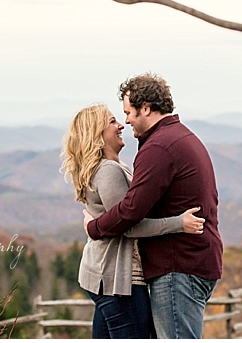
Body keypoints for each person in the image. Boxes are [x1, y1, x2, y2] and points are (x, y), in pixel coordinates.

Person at [85, 74, 223, 339]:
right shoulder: (180, 137)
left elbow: (129, 212)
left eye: (128, 113)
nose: (126, 120)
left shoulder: (159, 147)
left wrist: (94, 227)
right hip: (193, 261)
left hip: (177, 266)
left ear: (145, 108)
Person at [62, 103, 205, 339]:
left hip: (106, 277)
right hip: (118, 280)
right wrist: (179, 223)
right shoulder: (108, 170)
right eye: (111, 122)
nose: (120, 125)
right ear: (96, 132)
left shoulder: (111, 167)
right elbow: (129, 226)